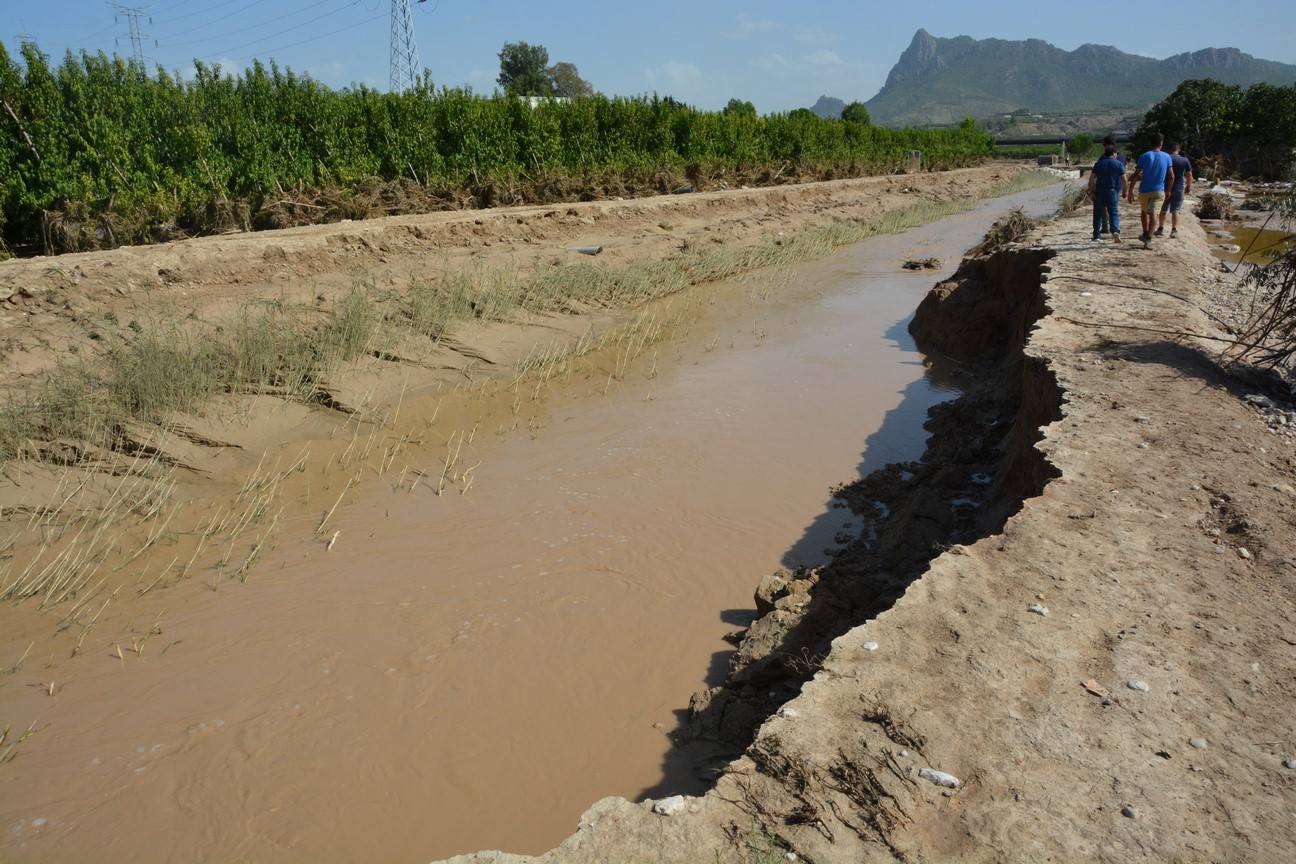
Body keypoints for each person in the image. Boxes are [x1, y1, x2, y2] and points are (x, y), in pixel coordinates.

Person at [1126, 133, 1173, 249]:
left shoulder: (1144, 156)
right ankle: (1149, 238)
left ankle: (1145, 232)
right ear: (1161, 143)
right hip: (1159, 190)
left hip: (1144, 190)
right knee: (1153, 213)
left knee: (1144, 212)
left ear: (1150, 143)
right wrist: (1168, 190)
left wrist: (1130, 190)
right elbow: (1171, 176)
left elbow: (1136, 175)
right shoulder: (1167, 157)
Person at [1089, 144, 1126, 243]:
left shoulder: (1098, 164)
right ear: (1114, 153)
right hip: (1112, 191)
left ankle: (1096, 236)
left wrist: (1092, 192)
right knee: (1113, 212)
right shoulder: (1118, 164)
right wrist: (1125, 191)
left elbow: (1091, 179)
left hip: (1099, 191)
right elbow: (1125, 180)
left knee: (1097, 214)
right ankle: (1115, 230)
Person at [1156, 142, 1193, 239]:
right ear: (1178, 150)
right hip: (1179, 187)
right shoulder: (1184, 160)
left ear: (1169, 149)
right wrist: (1189, 186)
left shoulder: (1165, 158)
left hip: (1165, 187)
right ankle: (1174, 230)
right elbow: (1189, 175)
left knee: (1163, 209)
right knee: (1175, 210)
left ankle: (1160, 229)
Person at [1098, 133, 1124, 234]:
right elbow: (1124, 172)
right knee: (1113, 207)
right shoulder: (1121, 156)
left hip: (1105, 185)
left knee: (1104, 207)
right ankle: (1115, 228)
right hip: (1117, 185)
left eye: (1104, 145)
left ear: (1108, 145)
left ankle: (1105, 227)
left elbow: (1098, 171)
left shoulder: (1103, 157)